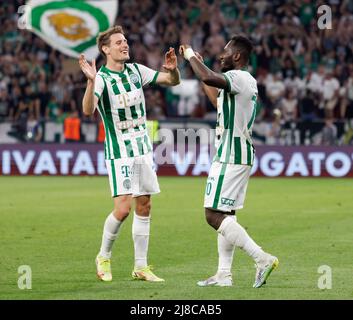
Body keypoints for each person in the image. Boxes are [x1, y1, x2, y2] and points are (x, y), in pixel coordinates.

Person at [79, 25, 180, 282]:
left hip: (143, 150)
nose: (125, 45)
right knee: (123, 208)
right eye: (118, 43)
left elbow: (170, 81)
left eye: (125, 41)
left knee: (144, 205)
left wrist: (173, 69)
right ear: (105, 49)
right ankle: (103, 256)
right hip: (119, 151)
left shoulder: (136, 71)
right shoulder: (101, 78)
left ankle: (141, 266)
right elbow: (88, 110)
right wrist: (91, 82)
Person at [179, 35, 278, 288]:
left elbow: (209, 76)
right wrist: (200, 68)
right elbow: (215, 97)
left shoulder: (239, 77)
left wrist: (190, 55)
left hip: (230, 155)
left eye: (225, 51)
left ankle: (262, 258)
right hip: (237, 154)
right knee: (226, 214)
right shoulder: (241, 83)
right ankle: (224, 274)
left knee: (212, 215)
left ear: (237, 56)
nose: (220, 55)